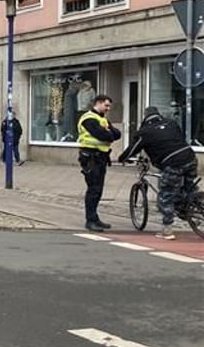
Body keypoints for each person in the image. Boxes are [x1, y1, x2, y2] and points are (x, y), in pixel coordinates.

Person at [118, 106, 198, 240]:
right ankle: (193, 207)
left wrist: (122, 159)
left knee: (166, 195)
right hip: (190, 157)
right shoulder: (171, 123)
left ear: (145, 117)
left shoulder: (144, 132)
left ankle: (167, 230)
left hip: (172, 163)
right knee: (189, 188)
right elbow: (179, 138)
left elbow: (132, 149)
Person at [78, 94, 121, 232]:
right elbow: (103, 135)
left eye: (109, 106)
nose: (108, 109)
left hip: (100, 158)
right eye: (106, 105)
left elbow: (117, 134)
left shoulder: (102, 119)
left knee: (98, 190)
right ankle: (90, 220)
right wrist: (108, 133)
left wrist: (109, 132)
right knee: (93, 190)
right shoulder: (88, 118)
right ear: (98, 103)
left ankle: (95, 218)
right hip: (90, 158)